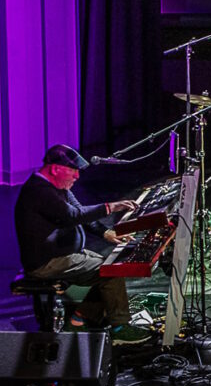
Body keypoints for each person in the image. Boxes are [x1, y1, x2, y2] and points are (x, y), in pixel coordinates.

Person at [14, 145, 154, 344]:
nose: (77, 176)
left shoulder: (57, 187)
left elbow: (80, 213)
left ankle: (78, 319)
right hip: (46, 263)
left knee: (108, 268)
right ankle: (120, 328)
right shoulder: (38, 191)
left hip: (63, 256)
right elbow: (73, 215)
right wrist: (109, 207)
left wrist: (105, 232)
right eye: (73, 170)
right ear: (55, 169)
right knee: (111, 272)